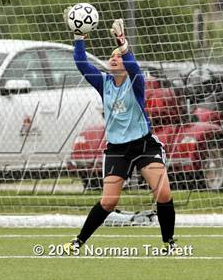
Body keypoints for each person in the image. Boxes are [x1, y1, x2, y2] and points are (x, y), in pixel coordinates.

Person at [63, 14, 177, 253]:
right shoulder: (103, 82)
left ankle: (169, 243)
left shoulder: (135, 81)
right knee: (109, 201)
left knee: (163, 193)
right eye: (112, 56)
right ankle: (77, 242)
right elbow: (81, 63)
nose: (113, 58)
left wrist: (122, 44)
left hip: (144, 146)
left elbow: (134, 65)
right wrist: (79, 38)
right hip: (117, 150)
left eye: (118, 57)